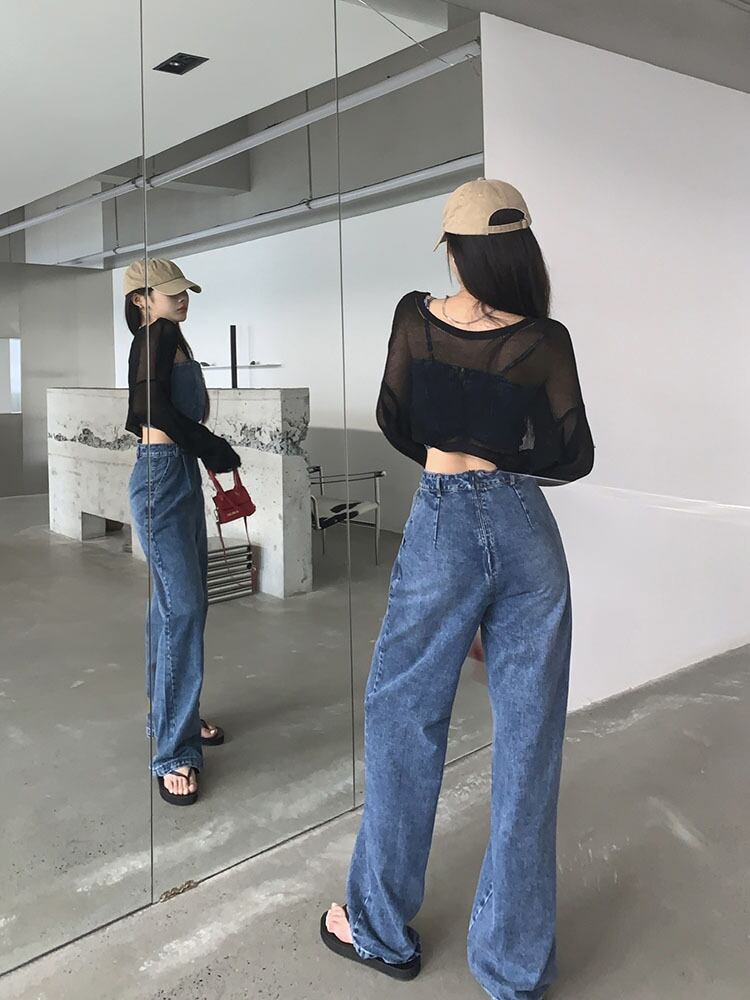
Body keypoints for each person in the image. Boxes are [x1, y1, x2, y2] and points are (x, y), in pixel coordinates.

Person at [320, 180, 594, 1000]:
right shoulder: (544, 340)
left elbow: (394, 418)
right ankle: (513, 968)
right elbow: (573, 455)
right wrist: (501, 452)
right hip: (525, 531)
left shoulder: (416, 319)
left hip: (442, 524)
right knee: (530, 744)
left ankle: (378, 928)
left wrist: (455, 452)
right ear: (521, 251)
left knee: (405, 722)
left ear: (453, 249)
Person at [124, 259, 241, 806]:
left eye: (184, 290)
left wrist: (201, 450)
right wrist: (209, 445)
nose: (182, 298)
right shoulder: (158, 334)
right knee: (184, 607)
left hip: (177, 475)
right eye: (171, 292)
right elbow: (148, 408)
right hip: (162, 478)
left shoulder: (171, 338)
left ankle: (174, 715)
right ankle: (173, 750)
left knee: (173, 605)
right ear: (141, 299)